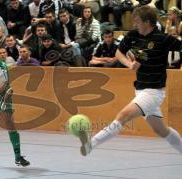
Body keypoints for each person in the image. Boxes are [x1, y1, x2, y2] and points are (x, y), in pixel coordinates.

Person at [78, 6, 182, 156]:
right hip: (140, 90)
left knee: (123, 115)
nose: (135, 24)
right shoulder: (133, 35)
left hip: (154, 91)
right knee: (161, 130)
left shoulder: (163, 39)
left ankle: (90, 144)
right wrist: (129, 64)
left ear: (147, 22)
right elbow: (118, 53)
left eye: (138, 21)